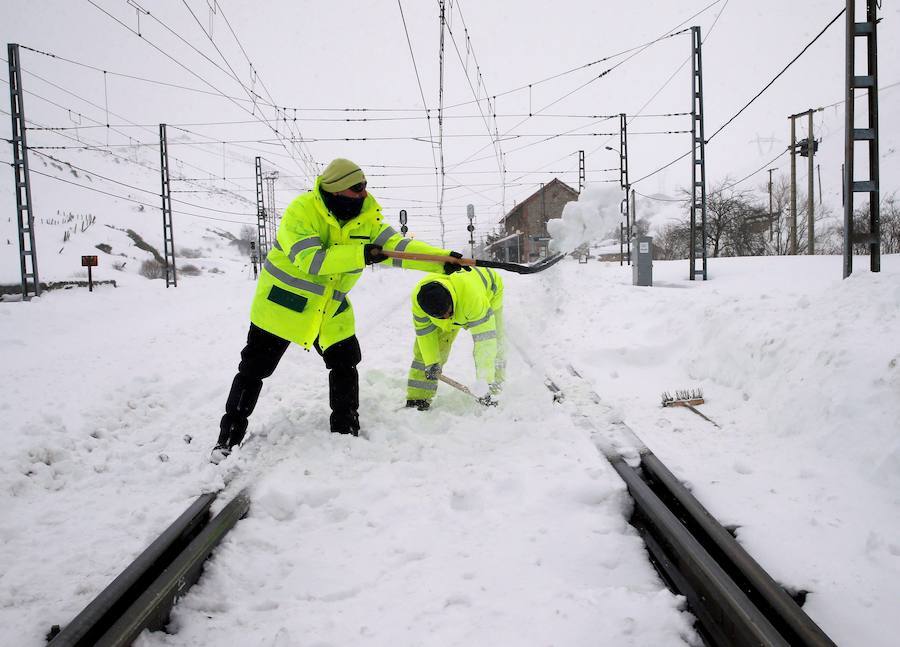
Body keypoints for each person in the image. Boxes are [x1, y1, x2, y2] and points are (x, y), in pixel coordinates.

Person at [212, 158, 464, 462]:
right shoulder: (301, 212)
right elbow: (313, 260)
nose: (362, 194)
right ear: (334, 191)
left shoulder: (366, 218)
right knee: (253, 370)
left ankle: (345, 431)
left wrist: (442, 259)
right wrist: (361, 254)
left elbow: (398, 249)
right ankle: (228, 437)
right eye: (355, 189)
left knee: (345, 362)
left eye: (364, 187)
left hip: (329, 308)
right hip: (283, 304)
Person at [405, 265, 505, 410]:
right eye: (441, 317)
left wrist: (485, 383)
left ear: (451, 300)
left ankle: (493, 389)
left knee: (496, 341)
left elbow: (485, 343)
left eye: (448, 313)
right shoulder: (420, 302)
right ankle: (418, 399)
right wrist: (432, 362)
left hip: (489, 292)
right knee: (424, 355)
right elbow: (425, 334)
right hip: (458, 302)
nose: (446, 318)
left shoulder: (472, 299)